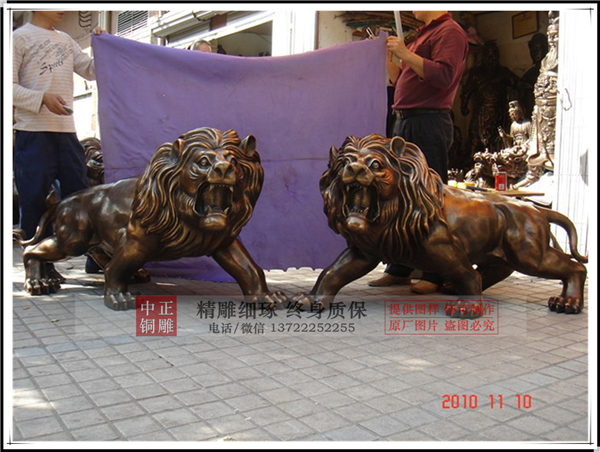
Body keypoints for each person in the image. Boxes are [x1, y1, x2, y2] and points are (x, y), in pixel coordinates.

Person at [369, 11, 468, 294]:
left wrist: (404, 53)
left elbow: (443, 76)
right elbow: (405, 78)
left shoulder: (449, 31)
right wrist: (390, 62)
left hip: (428, 121)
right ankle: (400, 267)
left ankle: (435, 271)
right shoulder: (425, 33)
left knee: (428, 197)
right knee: (401, 196)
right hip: (406, 120)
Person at [13, 11, 103, 279]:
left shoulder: (65, 39)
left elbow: (91, 70)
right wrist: (42, 98)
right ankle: (38, 266)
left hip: (66, 133)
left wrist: (104, 46)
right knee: (34, 201)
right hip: (33, 133)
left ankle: (96, 257)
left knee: (82, 198)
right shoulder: (18, 39)